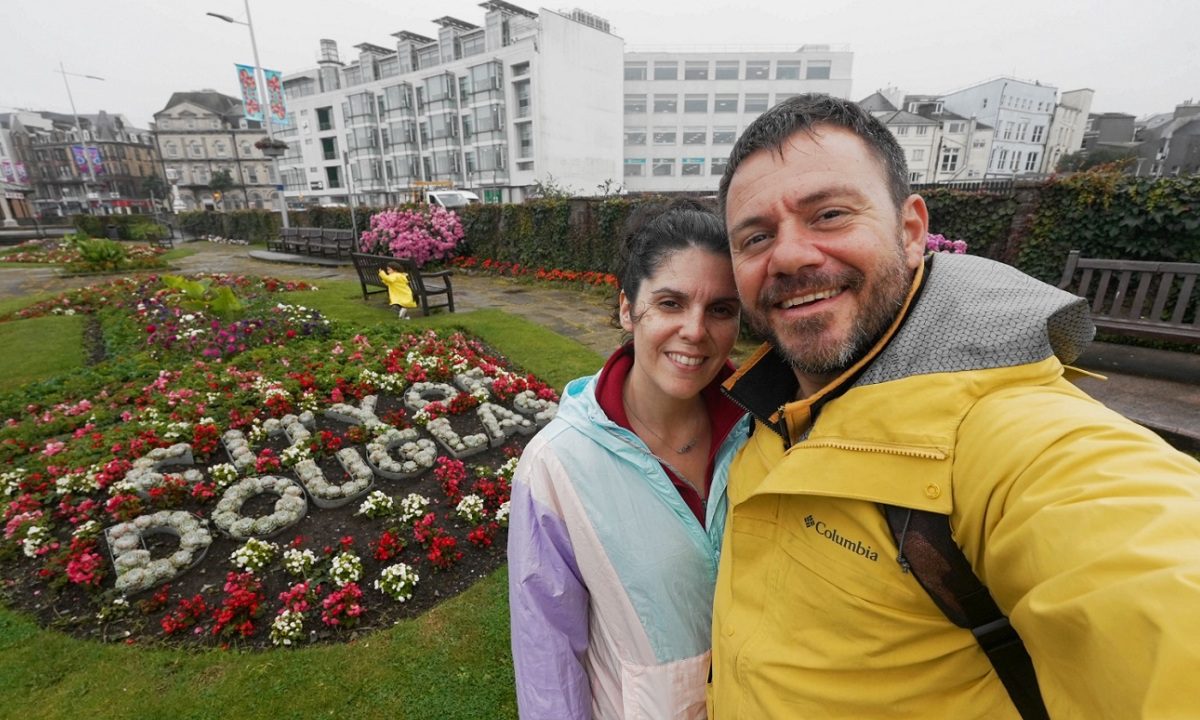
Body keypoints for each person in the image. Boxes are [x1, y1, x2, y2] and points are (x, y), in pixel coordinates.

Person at [710, 93, 1200, 718]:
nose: (789, 255)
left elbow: (1155, 579)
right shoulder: (769, 410)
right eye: (756, 237)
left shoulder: (1014, 438)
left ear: (911, 230)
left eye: (829, 214)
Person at [507, 199, 750, 719]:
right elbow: (548, 659)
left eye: (720, 309)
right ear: (627, 308)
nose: (695, 330)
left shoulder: (763, 430)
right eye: (670, 303)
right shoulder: (556, 465)